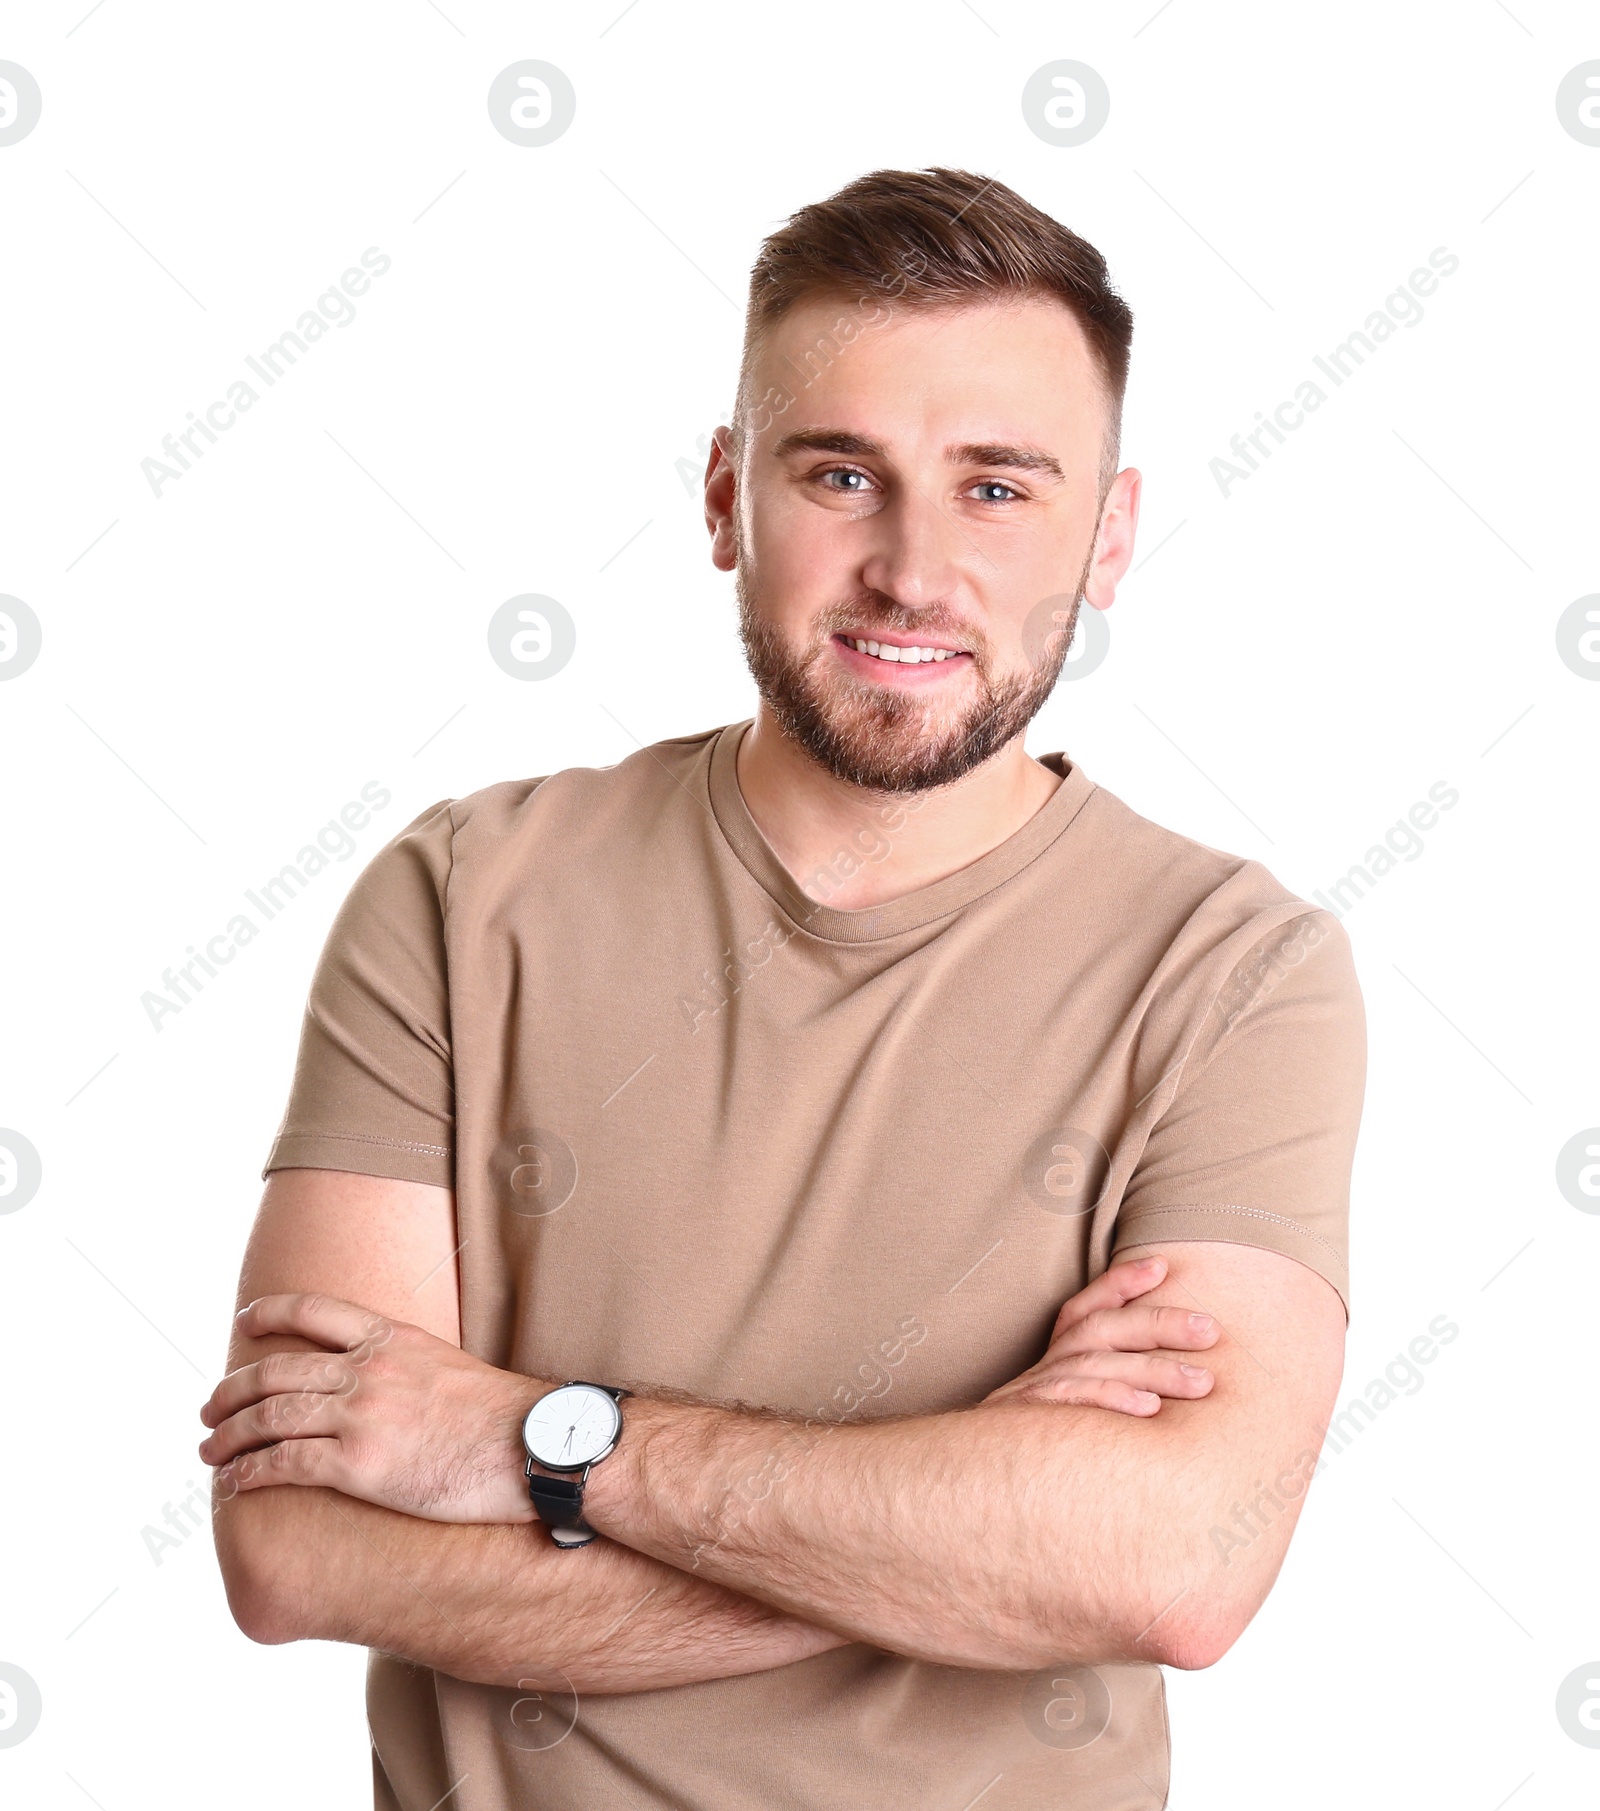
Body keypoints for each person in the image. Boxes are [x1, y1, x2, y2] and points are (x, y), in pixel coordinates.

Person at [201, 166, 1365, 1810]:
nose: (912, 569)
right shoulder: (464, 896)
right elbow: (298, 1551)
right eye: (842, 474)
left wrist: (534, 1444)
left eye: (998, 489)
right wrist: (961, 1533)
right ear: (725, 500)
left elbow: (1174, 1565)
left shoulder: (1238, 974)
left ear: (1108, 538)